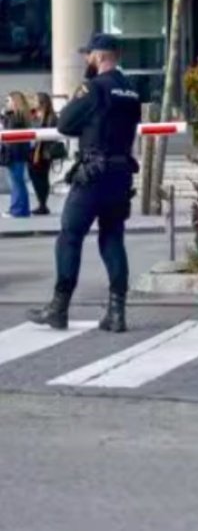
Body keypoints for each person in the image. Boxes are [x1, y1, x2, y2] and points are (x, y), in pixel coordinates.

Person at [27, 33, 142, 333]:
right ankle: (117, 313)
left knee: (70, 235)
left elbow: (65, 125)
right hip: (121, 175)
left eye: (88, 55)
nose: (86, 60)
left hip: (93, 174)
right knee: (113, 238)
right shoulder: (130, 90)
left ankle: (58, 308)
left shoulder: (92, 88)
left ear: (100, 56)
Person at [29, 92, 62, 216]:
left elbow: (50, 133)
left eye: (35, 100)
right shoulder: (33, 114)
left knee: (42, 177)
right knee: (35, 177)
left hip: (44, 151)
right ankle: (41, 203)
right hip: (33, 150)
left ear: (42, 102)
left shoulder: (51, 117)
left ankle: (43, 204)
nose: (34, 102)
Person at [1, 91, 33, 218]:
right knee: (18, 182)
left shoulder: (15, 118)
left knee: (16, 182)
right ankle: (22, 209)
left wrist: (4, 117)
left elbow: (9, 133)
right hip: (19, 153)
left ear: (15, 102)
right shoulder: (22, 117)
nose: (6, 104)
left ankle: (18, 210)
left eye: (8, 101)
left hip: (14, 154)